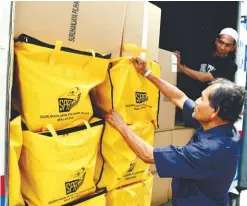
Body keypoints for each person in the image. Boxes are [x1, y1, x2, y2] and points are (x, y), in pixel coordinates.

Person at [104, 57, 244, 206]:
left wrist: (120, 125)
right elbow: (180, 98)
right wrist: (147, 74)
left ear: (215, 112)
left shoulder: (207, 151)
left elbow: (148, 155)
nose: (196, 101)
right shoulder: (224, 128)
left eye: (202, 99)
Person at [175, 28, 238, 100]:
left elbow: (204, 78)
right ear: (216, 41)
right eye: (221, 42)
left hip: (210, 104)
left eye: (227, 45)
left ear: (233, 48)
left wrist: (181, 67)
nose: (222, 47)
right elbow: (191, 71)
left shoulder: (230, 66)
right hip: (192, 98)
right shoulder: (205, 55)